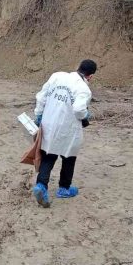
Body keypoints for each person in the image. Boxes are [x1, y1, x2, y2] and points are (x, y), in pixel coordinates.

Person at [31, 59, 97, 208]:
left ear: (77, 67)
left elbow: (41, 97)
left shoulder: (57, 76)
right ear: (90, 76)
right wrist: (85, 116)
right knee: (69, 157)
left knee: (48, 155)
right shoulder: (83, 89)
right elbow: (79, 109)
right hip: (68, 129)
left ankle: (41, 186)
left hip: (49, 123)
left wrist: (39, 115)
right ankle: (64, 188)